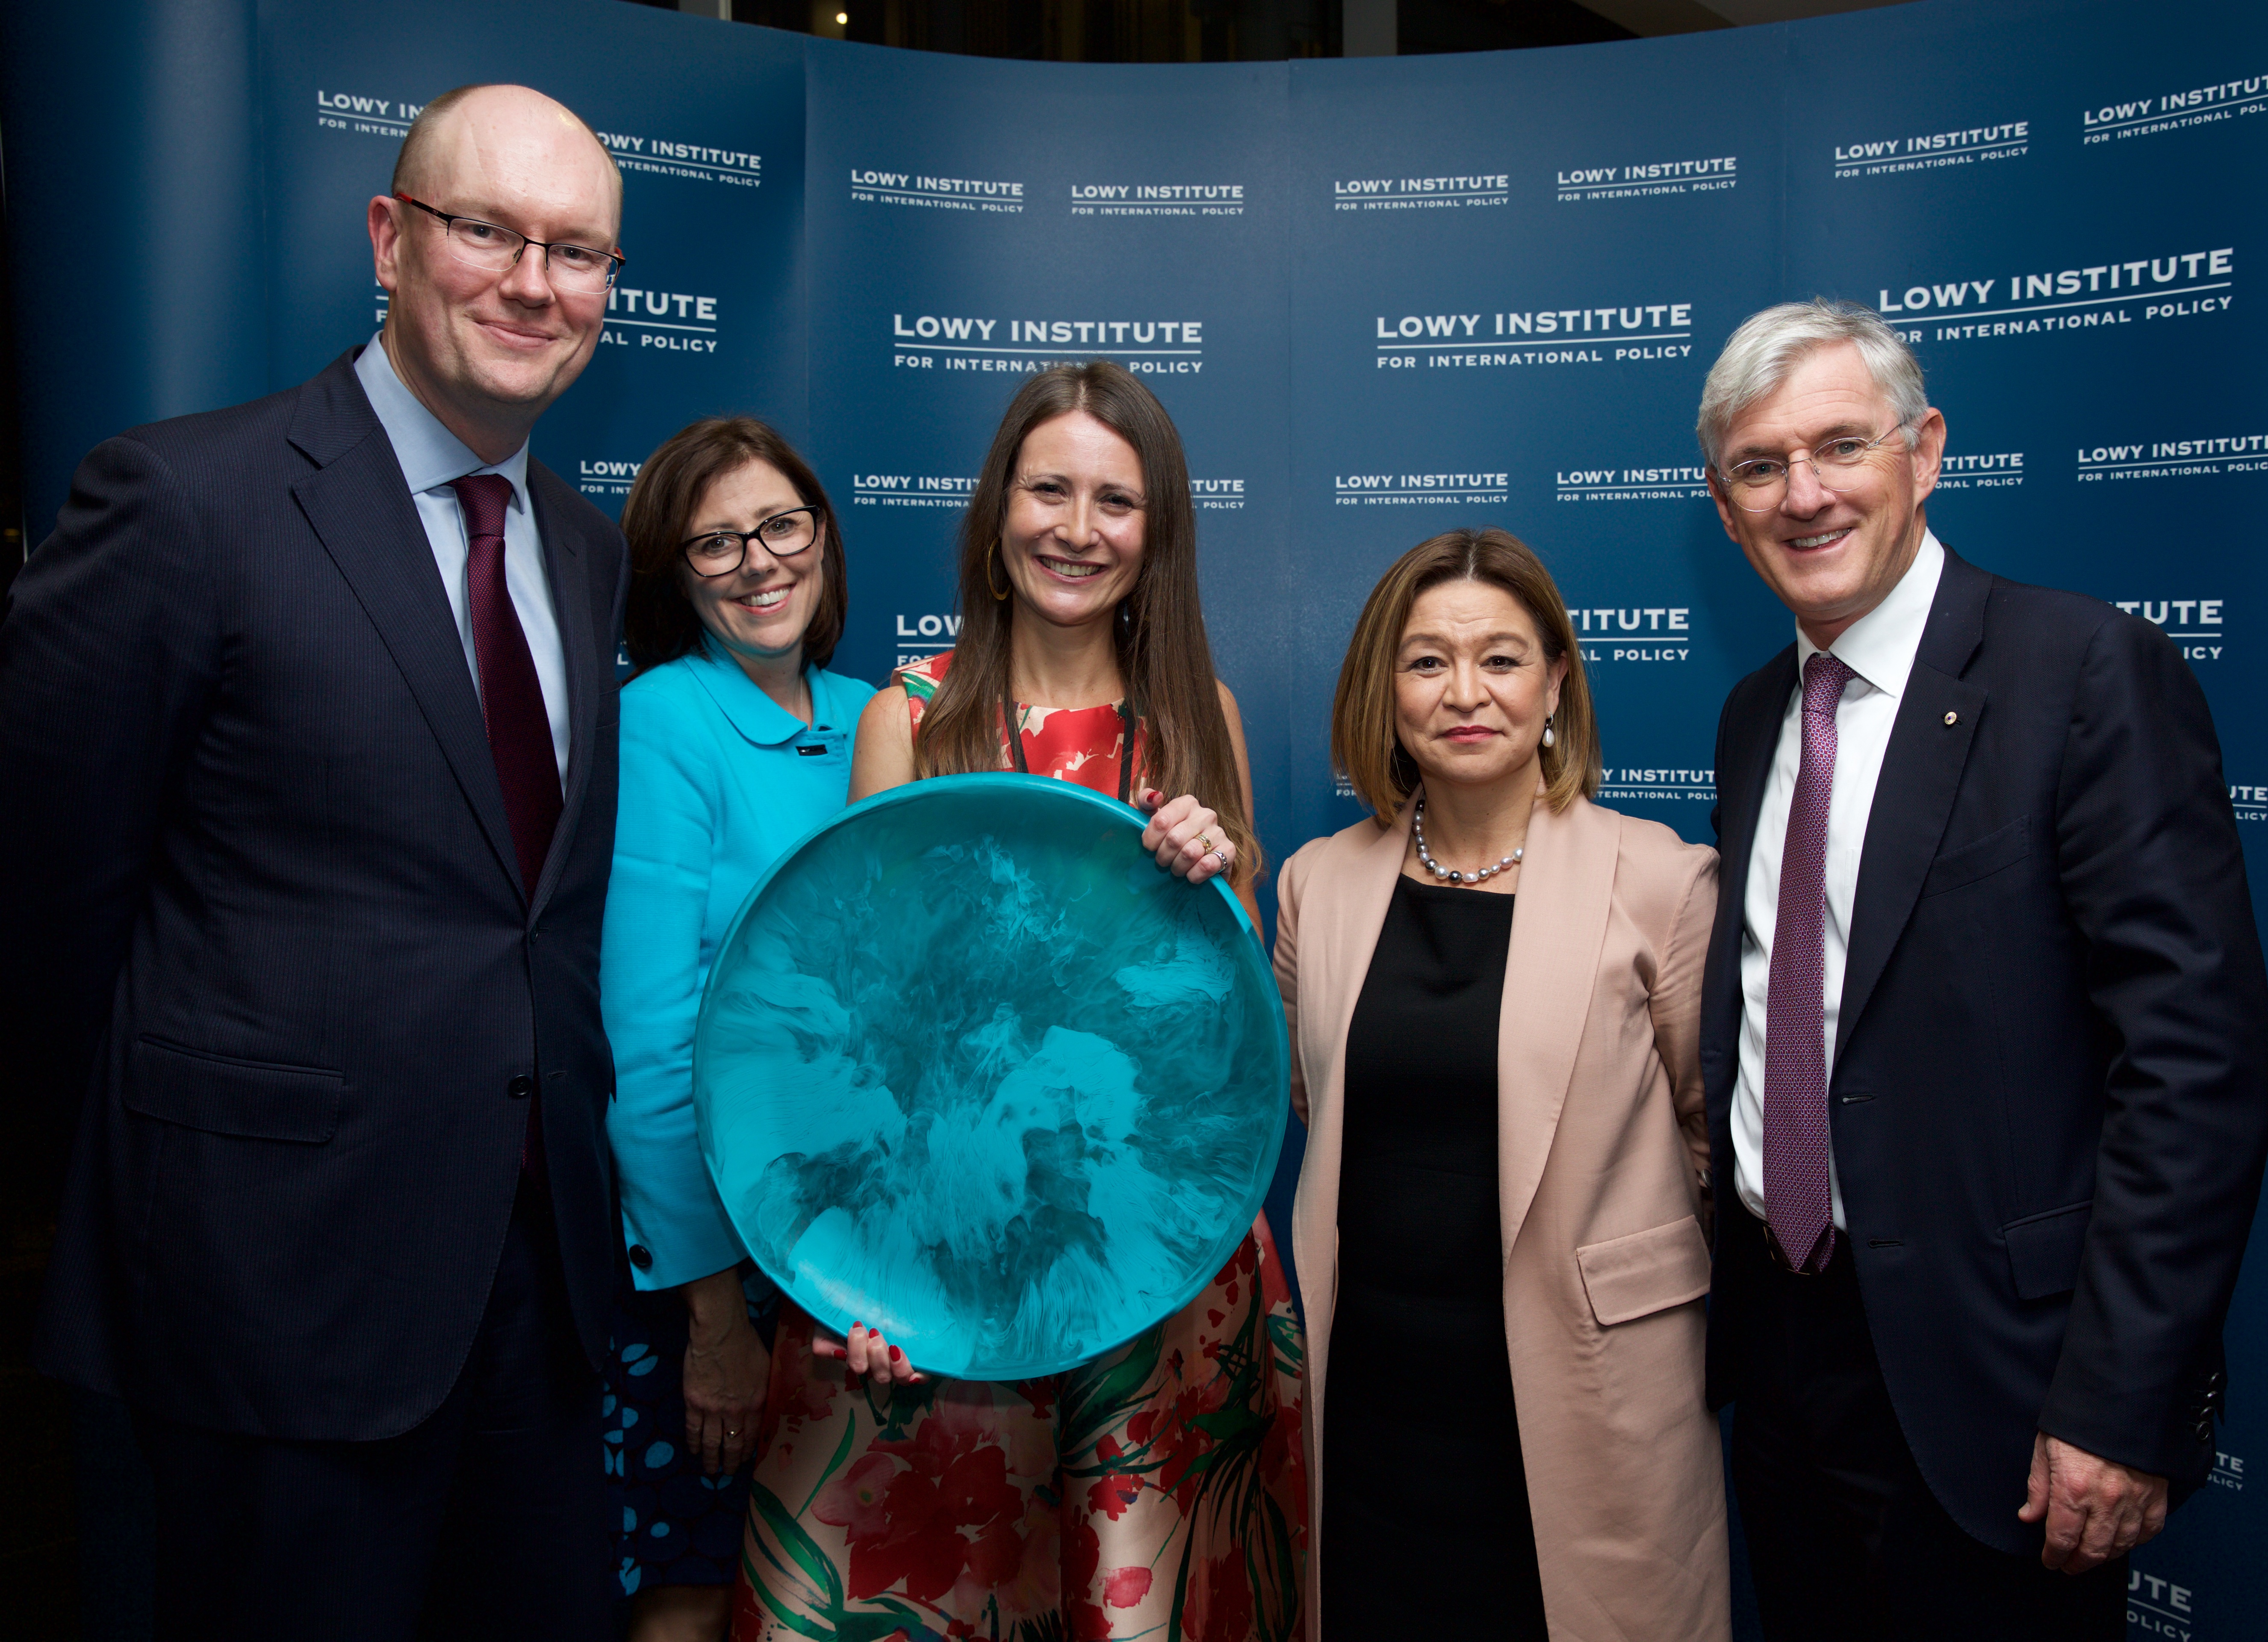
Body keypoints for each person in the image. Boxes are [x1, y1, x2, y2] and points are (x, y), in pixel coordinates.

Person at [0, 85, 631, 1636]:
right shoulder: (183, 502)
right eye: (487, 232)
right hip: (265, 1304)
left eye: (577, 252)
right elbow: (40, 909)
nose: (533, 284)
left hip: (538, 1297)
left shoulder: (585, 549)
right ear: (389, 240)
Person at [1693, 299, 2268, 1639]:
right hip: (1782, 1365)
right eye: (1760, 466)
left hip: (2004, 1396)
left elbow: (2197, 1070)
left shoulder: (2083, 671)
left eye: (1842, 445)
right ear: (1723, 509)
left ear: (1927, 451)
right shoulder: (1752, 715)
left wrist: (2120, 1406)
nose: (1804, 494)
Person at [732, 361, 1306, 1642]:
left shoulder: (1198, 719)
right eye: (1049, 490)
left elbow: (1223, 1043)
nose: (1077, 529)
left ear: (1157, 533)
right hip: (953, 1259)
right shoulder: (910, 720)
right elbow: (865, 1043)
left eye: (1117, 500)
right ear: (999, 508)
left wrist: (1217, 878)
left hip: (1155, 1267)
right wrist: (865, 1278)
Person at [1275, 529, 1728, 1642]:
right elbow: (1314, 1105)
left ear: (1557, 682)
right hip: (1375, 1405)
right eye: (1428, 661)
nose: (1466, 693)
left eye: (1503, 659)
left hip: (1588, 1400)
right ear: (1385, 690)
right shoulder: (1315, 887)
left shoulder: (1662, 882)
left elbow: (1713, 1141)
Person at [599, 419, 874, 1636]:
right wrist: (712, 1316)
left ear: (822, 536)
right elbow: (647, 1037)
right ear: (676, 573)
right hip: (717, 1257)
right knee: (698, 1591)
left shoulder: (884, 717)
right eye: (716, 543)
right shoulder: (664, 718)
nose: (759, 561)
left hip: (860, 1255)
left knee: (845, 1586)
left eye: (779, 525)